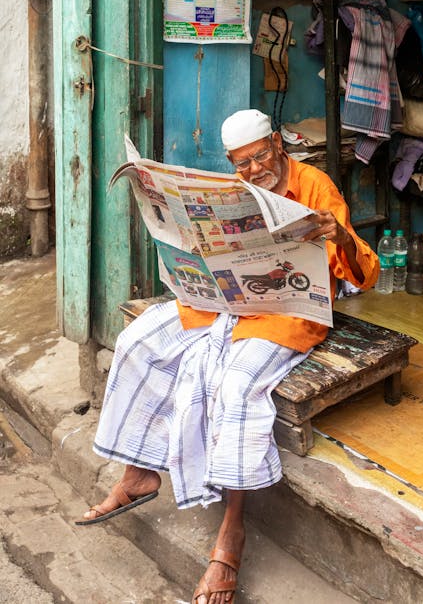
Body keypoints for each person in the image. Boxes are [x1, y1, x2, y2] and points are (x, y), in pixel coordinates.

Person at [76, 109, 379, 604]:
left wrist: (339, 235)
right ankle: (140, 472)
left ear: (278, 144)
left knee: (231, 386)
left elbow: (364, 274)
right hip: (224, 300)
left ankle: (231, 531)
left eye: (261, 157)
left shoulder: (315, 185)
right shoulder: (237, 189)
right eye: (242, 164)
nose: (255, 170)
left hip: (287, 310)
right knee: (137, 343)